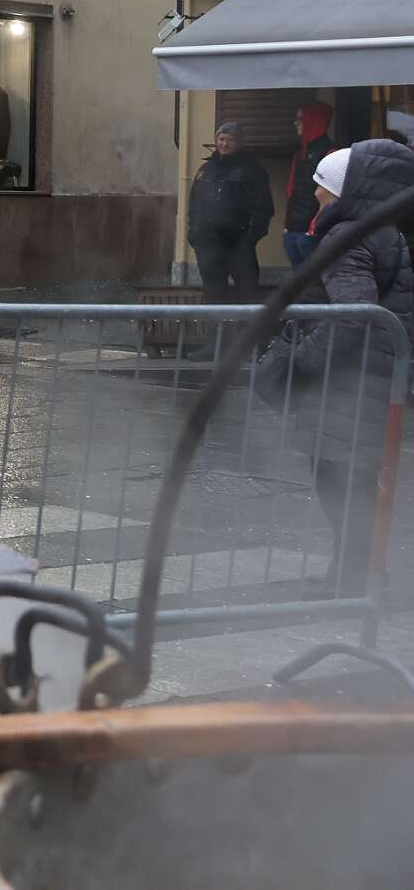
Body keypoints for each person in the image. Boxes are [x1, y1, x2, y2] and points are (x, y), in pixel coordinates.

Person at [256, 141, 414, 598]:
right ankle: (356, 575)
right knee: (353, 484)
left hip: (349, 383)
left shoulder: (348, 238)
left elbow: (353, 315)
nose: (316, 194)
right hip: (371, 377)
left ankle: (354, 581)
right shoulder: (382, 231)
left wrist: (302, 362)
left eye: (323, 185)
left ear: (344, 191)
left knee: (340, 483)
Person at [188, 121, 274, 303]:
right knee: (214, 293)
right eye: (221, 139)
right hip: (208, 243)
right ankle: (217, 323)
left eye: (230, 140)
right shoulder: (206, 169)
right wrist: (194, 233)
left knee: (248, 291)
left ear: (239, 142)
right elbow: (193, 204)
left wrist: (251, 236)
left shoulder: (253, 170)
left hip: (239, 243)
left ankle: (249, 323)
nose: (224, 144)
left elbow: (264, 207)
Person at [284, 103, 336, 268]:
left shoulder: (330, 152)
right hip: (294, 228)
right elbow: (292, 190)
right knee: (300, 277)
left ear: (314, 120)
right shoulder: (301, 152)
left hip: (312, 231)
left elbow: (331, 197)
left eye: (300, 118)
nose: (296, 123)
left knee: (314, 278)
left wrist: (313, 229)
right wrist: (287, 226)